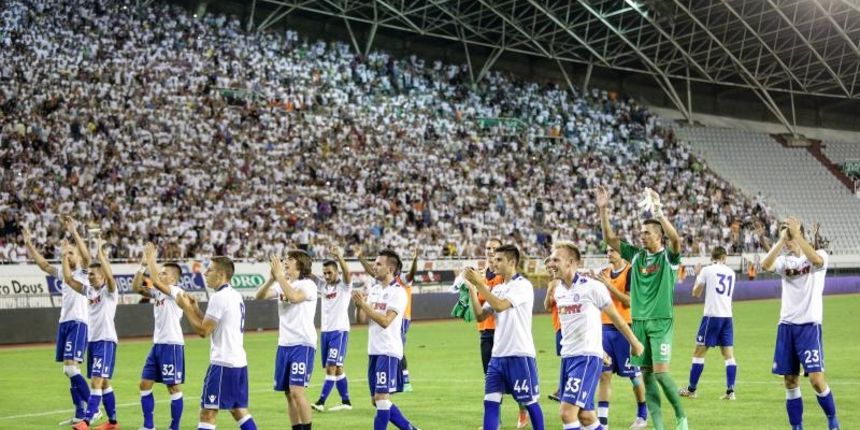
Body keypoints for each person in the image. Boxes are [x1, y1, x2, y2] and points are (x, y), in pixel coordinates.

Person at [597, 186, 688, 430]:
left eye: (646, 233)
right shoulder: (635, 256)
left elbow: (677, 240)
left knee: (660, 373)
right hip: (638, 322)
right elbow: (609, 239)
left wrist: (658, 211)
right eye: (641, 233)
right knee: (647, 377)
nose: (641, 236)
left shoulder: (668, 257)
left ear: (658, 236)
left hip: (660, 321)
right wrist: (603, 209)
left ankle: (681, 416)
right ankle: (658, 426)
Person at [545, 241, 644, 430]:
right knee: (586, 416)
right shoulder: (559, 291)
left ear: (571, 262)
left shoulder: (592, 287)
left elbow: (617, 318)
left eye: (556, 260)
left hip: (585, 358)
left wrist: (634, 342)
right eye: (550, 260)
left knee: (567, 413)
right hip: (568, 358)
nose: (551, 264)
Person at [761, 218, 840, 430]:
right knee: (790, 381)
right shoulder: (785, 262)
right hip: (786, 326)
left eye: (789, 234)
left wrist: (798, 236)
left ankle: (832, 420)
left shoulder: (820, 255)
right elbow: (765, 265)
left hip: (809, 327)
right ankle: (797, 427)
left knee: (815, 379)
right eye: (785, 235)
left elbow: (815, 260)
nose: (787, 240)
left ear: (799, 233)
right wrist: (780, 241)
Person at [22, 220, 96, 426]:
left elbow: (88, 257)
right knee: (68, 370)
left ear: (78, 257)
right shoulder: (64, 273)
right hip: (65, 322)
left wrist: (74, 233)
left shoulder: (84, 273)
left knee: (71, 369)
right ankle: (80, 412)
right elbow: (44, 265)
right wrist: (29, 244)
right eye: (67, 253)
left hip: (79, 322)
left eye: (72, 253)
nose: (68, 255)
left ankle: (93, 408)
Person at [464, 245, 545, 430]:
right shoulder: (499, 288)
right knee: (490, 402)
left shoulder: (523, 285)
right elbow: (480, 316)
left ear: (512, 262)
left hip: (520, 354)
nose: (495, 262)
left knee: (530, 402)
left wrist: (480, 285)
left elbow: (500, 306)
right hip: (498, 356)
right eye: (494, 259)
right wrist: (472, 289)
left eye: (499, 259)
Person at [177, 256, 258, 430]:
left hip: (223, 363)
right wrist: (196, 310)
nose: (205, 273)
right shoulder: (234, 295)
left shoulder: (219, 297)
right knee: (238, 409)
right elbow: (212, 325)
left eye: (210, 269)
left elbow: (203, 331)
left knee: (208, 412)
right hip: (238, 362)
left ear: (221, 274)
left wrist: (186, 308)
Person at [353, 249, 421, 430]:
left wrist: (365, 306)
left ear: (390, 269)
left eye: (378, 264)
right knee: (376, 401)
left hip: (388, 350)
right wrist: (359, 305)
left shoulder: (398, 293)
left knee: (382, 400)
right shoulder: (374, 290)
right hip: (373, 351)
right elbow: (361, 320)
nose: (374, 267)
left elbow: (385, 321)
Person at [256, 251, 318, 430]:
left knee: (298, 392)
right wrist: (271, 279)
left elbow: (294, 297)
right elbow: (259, 296)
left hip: (302, 344)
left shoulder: (308, 285)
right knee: (288, 393)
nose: (285, 261)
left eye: (290, 259)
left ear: (301, 264)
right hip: (284, 344)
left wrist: (280, 278)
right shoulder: (285, 283)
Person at [130, 243, 187, 430]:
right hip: (158, 345)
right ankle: (148, 426)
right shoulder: (159, 293)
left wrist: (151, 258)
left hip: (172, 344)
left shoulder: (176, 292)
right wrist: (142, 265)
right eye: (160, 272)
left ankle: (174, 427)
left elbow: (154, 279)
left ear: (173, 277)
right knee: (144, 384)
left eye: (164, 273)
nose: (160, 275)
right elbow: (136, 287)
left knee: (173, 387)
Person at [66, 239, 120, 430]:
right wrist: (65, 257)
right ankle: (113, 423)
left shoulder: (110, 291)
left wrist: (100, 253)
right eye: (88, 274)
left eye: (93, 274)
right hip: (93, 341)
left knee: (96, 380)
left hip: (106, 340)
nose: (89, 277)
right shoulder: (89, 291)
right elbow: (69, 280)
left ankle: (86, 421)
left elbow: (111, 278)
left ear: (103, 275)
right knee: (104, 383)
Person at [595, 248, 648, 429]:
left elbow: (629, 301)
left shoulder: (631, 271)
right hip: (604, 329)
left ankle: (642, 414)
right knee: (604, 375)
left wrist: (609, 285)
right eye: (607, 250)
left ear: (622, 253)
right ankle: (602, 422)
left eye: (613, 250)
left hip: (624, 329)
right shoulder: (604, 273)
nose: (609, 253)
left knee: (633, 375)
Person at [679, 246, 738, 400]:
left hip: (712, 316)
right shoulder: (731, 273)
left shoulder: (707, 270)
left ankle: (691, 390)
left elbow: (695, 293)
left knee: (699, 352)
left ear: (712, 257)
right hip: (727, 316)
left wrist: (698, 275)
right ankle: (731, 391)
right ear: (724, 257)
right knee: (728, 354)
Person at [311, 246, 354, 412]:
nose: (326, 276)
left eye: (330, 272)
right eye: (325, 273)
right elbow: (310, 275)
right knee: (338, 368)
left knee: (331, 367)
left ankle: (321, 402)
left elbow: (348, 275)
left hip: (339, 331)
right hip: (325, 332)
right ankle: (346, 401)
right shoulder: (323, 286)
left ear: (336, 272)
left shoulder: (344, 287)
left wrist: (340, 257)